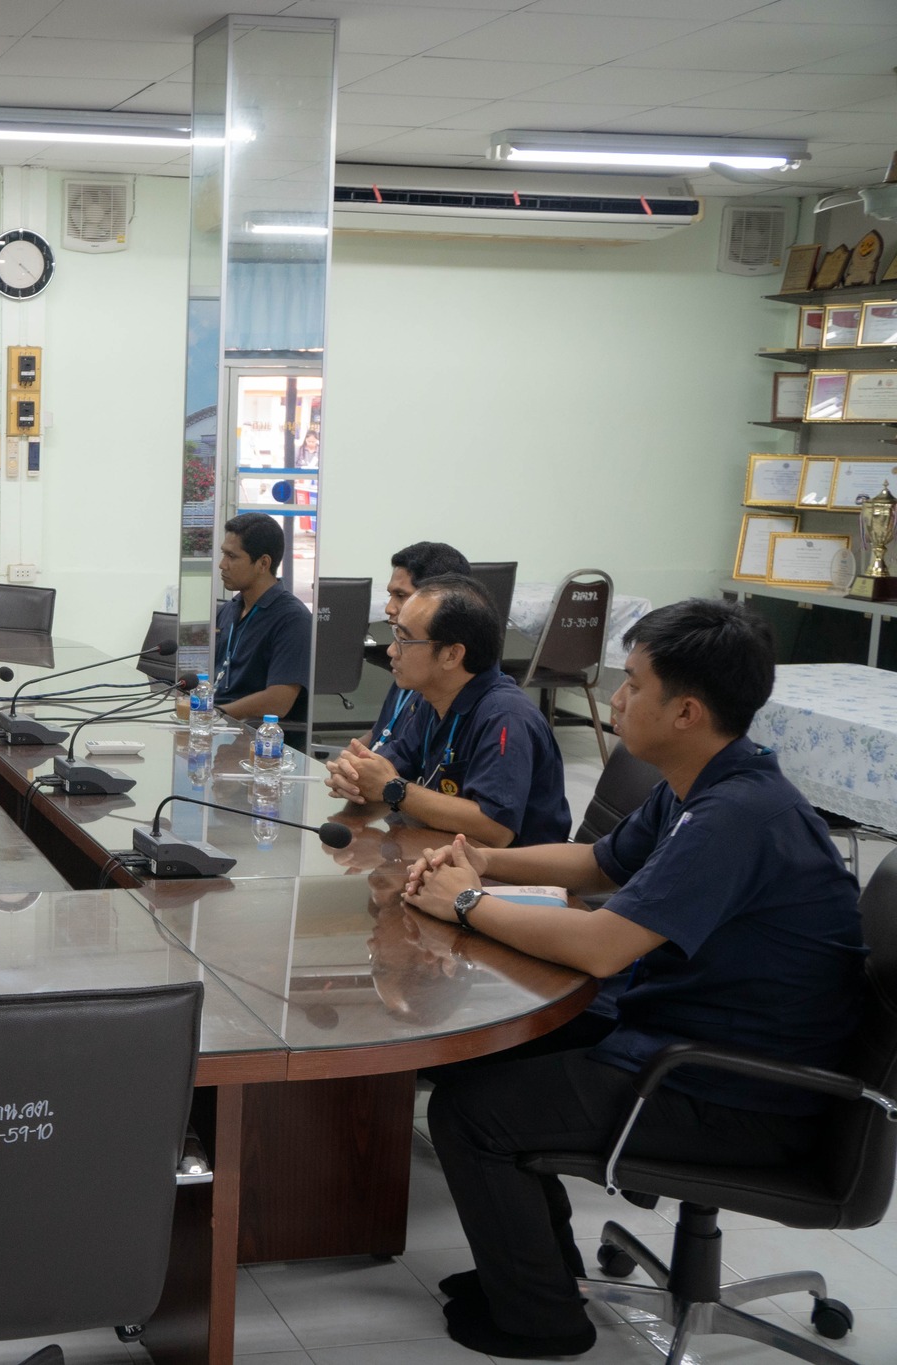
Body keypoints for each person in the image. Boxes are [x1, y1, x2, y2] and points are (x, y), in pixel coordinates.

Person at [399, 598, 865, 1359]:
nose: (614, 696)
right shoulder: (705, 784)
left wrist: (468, 901)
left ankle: (541, 1318)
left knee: (474, 1114)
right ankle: (536, 1275)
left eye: (632, 683)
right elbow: (595, 862)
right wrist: (479, 859)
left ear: (685, 711)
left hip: (740, 1089)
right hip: (694, 1035)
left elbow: (605, 945)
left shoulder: (735, 817)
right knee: (479, 1062)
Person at [327, 574, 570, 847]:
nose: (392, 651)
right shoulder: (430, 700)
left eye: (404, 640)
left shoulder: (506, 717)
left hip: (513, 881)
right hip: (446, 855)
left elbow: (495, 829)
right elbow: (388, 767)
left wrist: (392, 789)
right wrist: (354, 776)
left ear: (452, 655)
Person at [209, 512, 313, 724]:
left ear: (263, 563)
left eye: (232, 557)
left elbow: (279, 701)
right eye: (223, 554)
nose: (222, 564)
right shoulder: (229, 609)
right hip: (218, 725)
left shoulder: (293, 619)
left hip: (255, 737)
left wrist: (215, 713)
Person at [371, 541, 474, 749]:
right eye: (390, 595)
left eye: (401, 596)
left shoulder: (439, 684)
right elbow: (381, 733)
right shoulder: (409, 664)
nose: (389, 608)